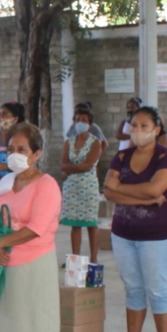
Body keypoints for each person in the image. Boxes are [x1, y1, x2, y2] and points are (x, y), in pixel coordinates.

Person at [0, 122, 63, 332]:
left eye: (22, 149)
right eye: (10, 149)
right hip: (8, 261)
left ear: (37, 154)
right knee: (20, 320)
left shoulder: (47, 185)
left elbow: (37, 227)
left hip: (36, 260)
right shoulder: (7, 183)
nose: (14, 154)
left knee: (43, 319)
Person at [102, 105, 167, 332]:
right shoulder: (122, 157)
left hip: (156, 235)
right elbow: (109, 193)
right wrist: (144, 195)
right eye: (133, 125)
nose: (137, 131)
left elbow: (156, 188)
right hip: (124, 232)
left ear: (156, 130)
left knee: (157, 290)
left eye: (144, 126)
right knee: (133, 289)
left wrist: (123, 188)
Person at [59, 104, 105, 261]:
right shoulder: (69, 142)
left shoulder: (95, 142)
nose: (80, 122)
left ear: (90, 123)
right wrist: (74, 168)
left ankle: (93, 258)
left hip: (88, 187)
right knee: (75, 224)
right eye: (77, 119)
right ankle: (76, 258)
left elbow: (88, 165)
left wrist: (70, 169)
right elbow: (62, 164)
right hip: (72, 188)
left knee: (91, 223)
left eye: (84, 120)